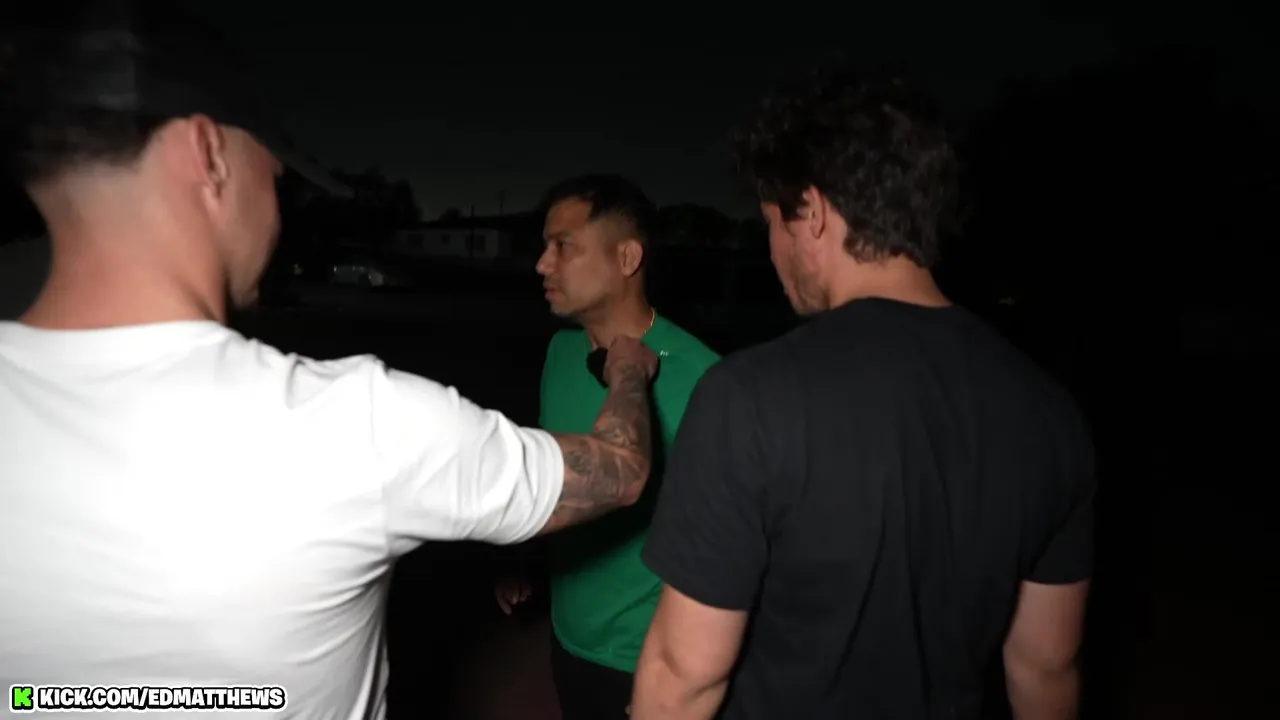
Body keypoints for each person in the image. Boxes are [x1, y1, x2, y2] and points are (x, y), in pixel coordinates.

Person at [0, 3, 658, 719]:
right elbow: (621, 472)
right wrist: (629, 369)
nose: (279, 209)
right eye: (274, 176)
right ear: (209, 155)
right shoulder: (361, 425)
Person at [632, 69, 1096, 720]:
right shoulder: (1050, 411)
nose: (772, 251)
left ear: (814, 212)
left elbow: (684, 676)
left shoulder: (749, 397)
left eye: (772, 222)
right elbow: (1045, 670)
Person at [494, 175, 721, 720]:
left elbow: (725, 549)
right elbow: (558, 467)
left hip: (648, 660)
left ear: (627, 257)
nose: (542, 264)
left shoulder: (708, 379)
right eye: (545, 246)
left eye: (563, 246)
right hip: (568, 639)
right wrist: (525, 559)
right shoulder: (560, 352)